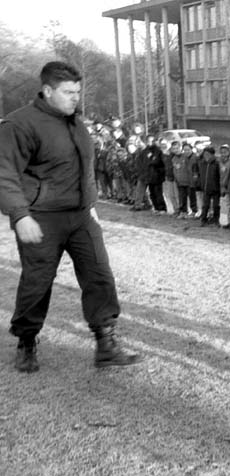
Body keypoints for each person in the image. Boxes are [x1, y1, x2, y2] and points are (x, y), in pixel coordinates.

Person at [0, 61, 142, 372]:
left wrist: (91, 204)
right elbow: (4, 173)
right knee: (37, 282)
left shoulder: (76, 123)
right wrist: (20, 215)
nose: (75, 97)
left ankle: (105, 342)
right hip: (40, 217)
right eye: (68, 92)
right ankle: (26, 341)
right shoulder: (19, 124)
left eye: (78, 91)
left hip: (80, 217)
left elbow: (84, 167)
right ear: (47, 90)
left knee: (100, 276)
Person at [197, 146, 222, 226]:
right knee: (205, 205)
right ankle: (203, 219)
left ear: (212, 155)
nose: (206, 156)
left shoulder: (216, 163)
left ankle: (216, 219)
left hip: (215, 188)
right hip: (205, 187)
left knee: (216, 205)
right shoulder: (202, 163)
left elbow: (219, 175)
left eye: (208, 154)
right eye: (205, 154)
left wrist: (219, 187)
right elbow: (201, 175)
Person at [218, 144, 230, 228]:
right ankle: (229, 221)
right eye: (221, 152)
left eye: (225, 152)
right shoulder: (219, 162)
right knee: (228, 204)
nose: (223, 154)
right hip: (224, 186)